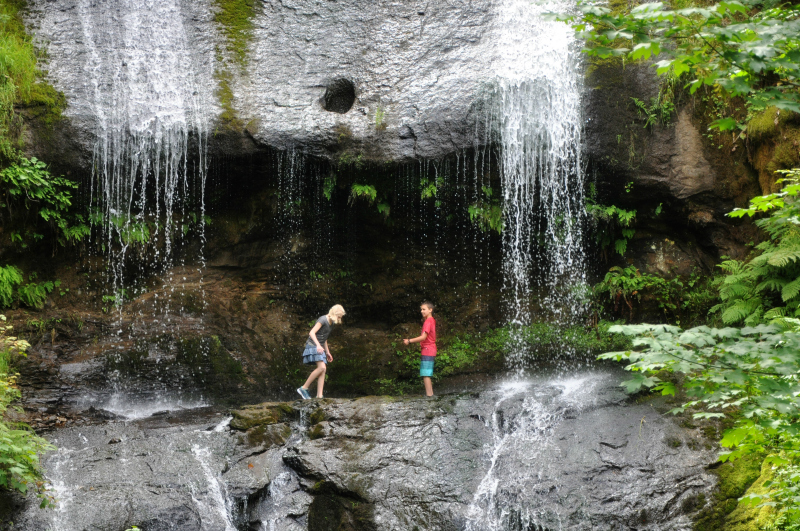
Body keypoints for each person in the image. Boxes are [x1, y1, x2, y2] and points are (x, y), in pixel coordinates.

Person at [297, 304, 346, 399]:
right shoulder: (323, 319)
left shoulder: (332, 323)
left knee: (323, 369)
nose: (339, 319)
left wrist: (327, 352)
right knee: (322, 367)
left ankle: (319, 395)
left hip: (320, 347)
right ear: (334, 314)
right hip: (313, 345)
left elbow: (324, 338)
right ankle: (303, 388)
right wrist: (318, 345)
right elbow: (311, 332)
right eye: (339, 316)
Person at [403, 301, 436, 397]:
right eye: (421, 309)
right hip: (430, 349)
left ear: (430, 310)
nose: (422, 311)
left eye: (424, 309)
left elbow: (423, 337)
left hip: (428, 349)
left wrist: (409, 341)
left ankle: (429, 395)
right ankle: (430, 395)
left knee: (425, 374)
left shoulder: (428, 321)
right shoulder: (432, 320)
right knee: (426, 373)